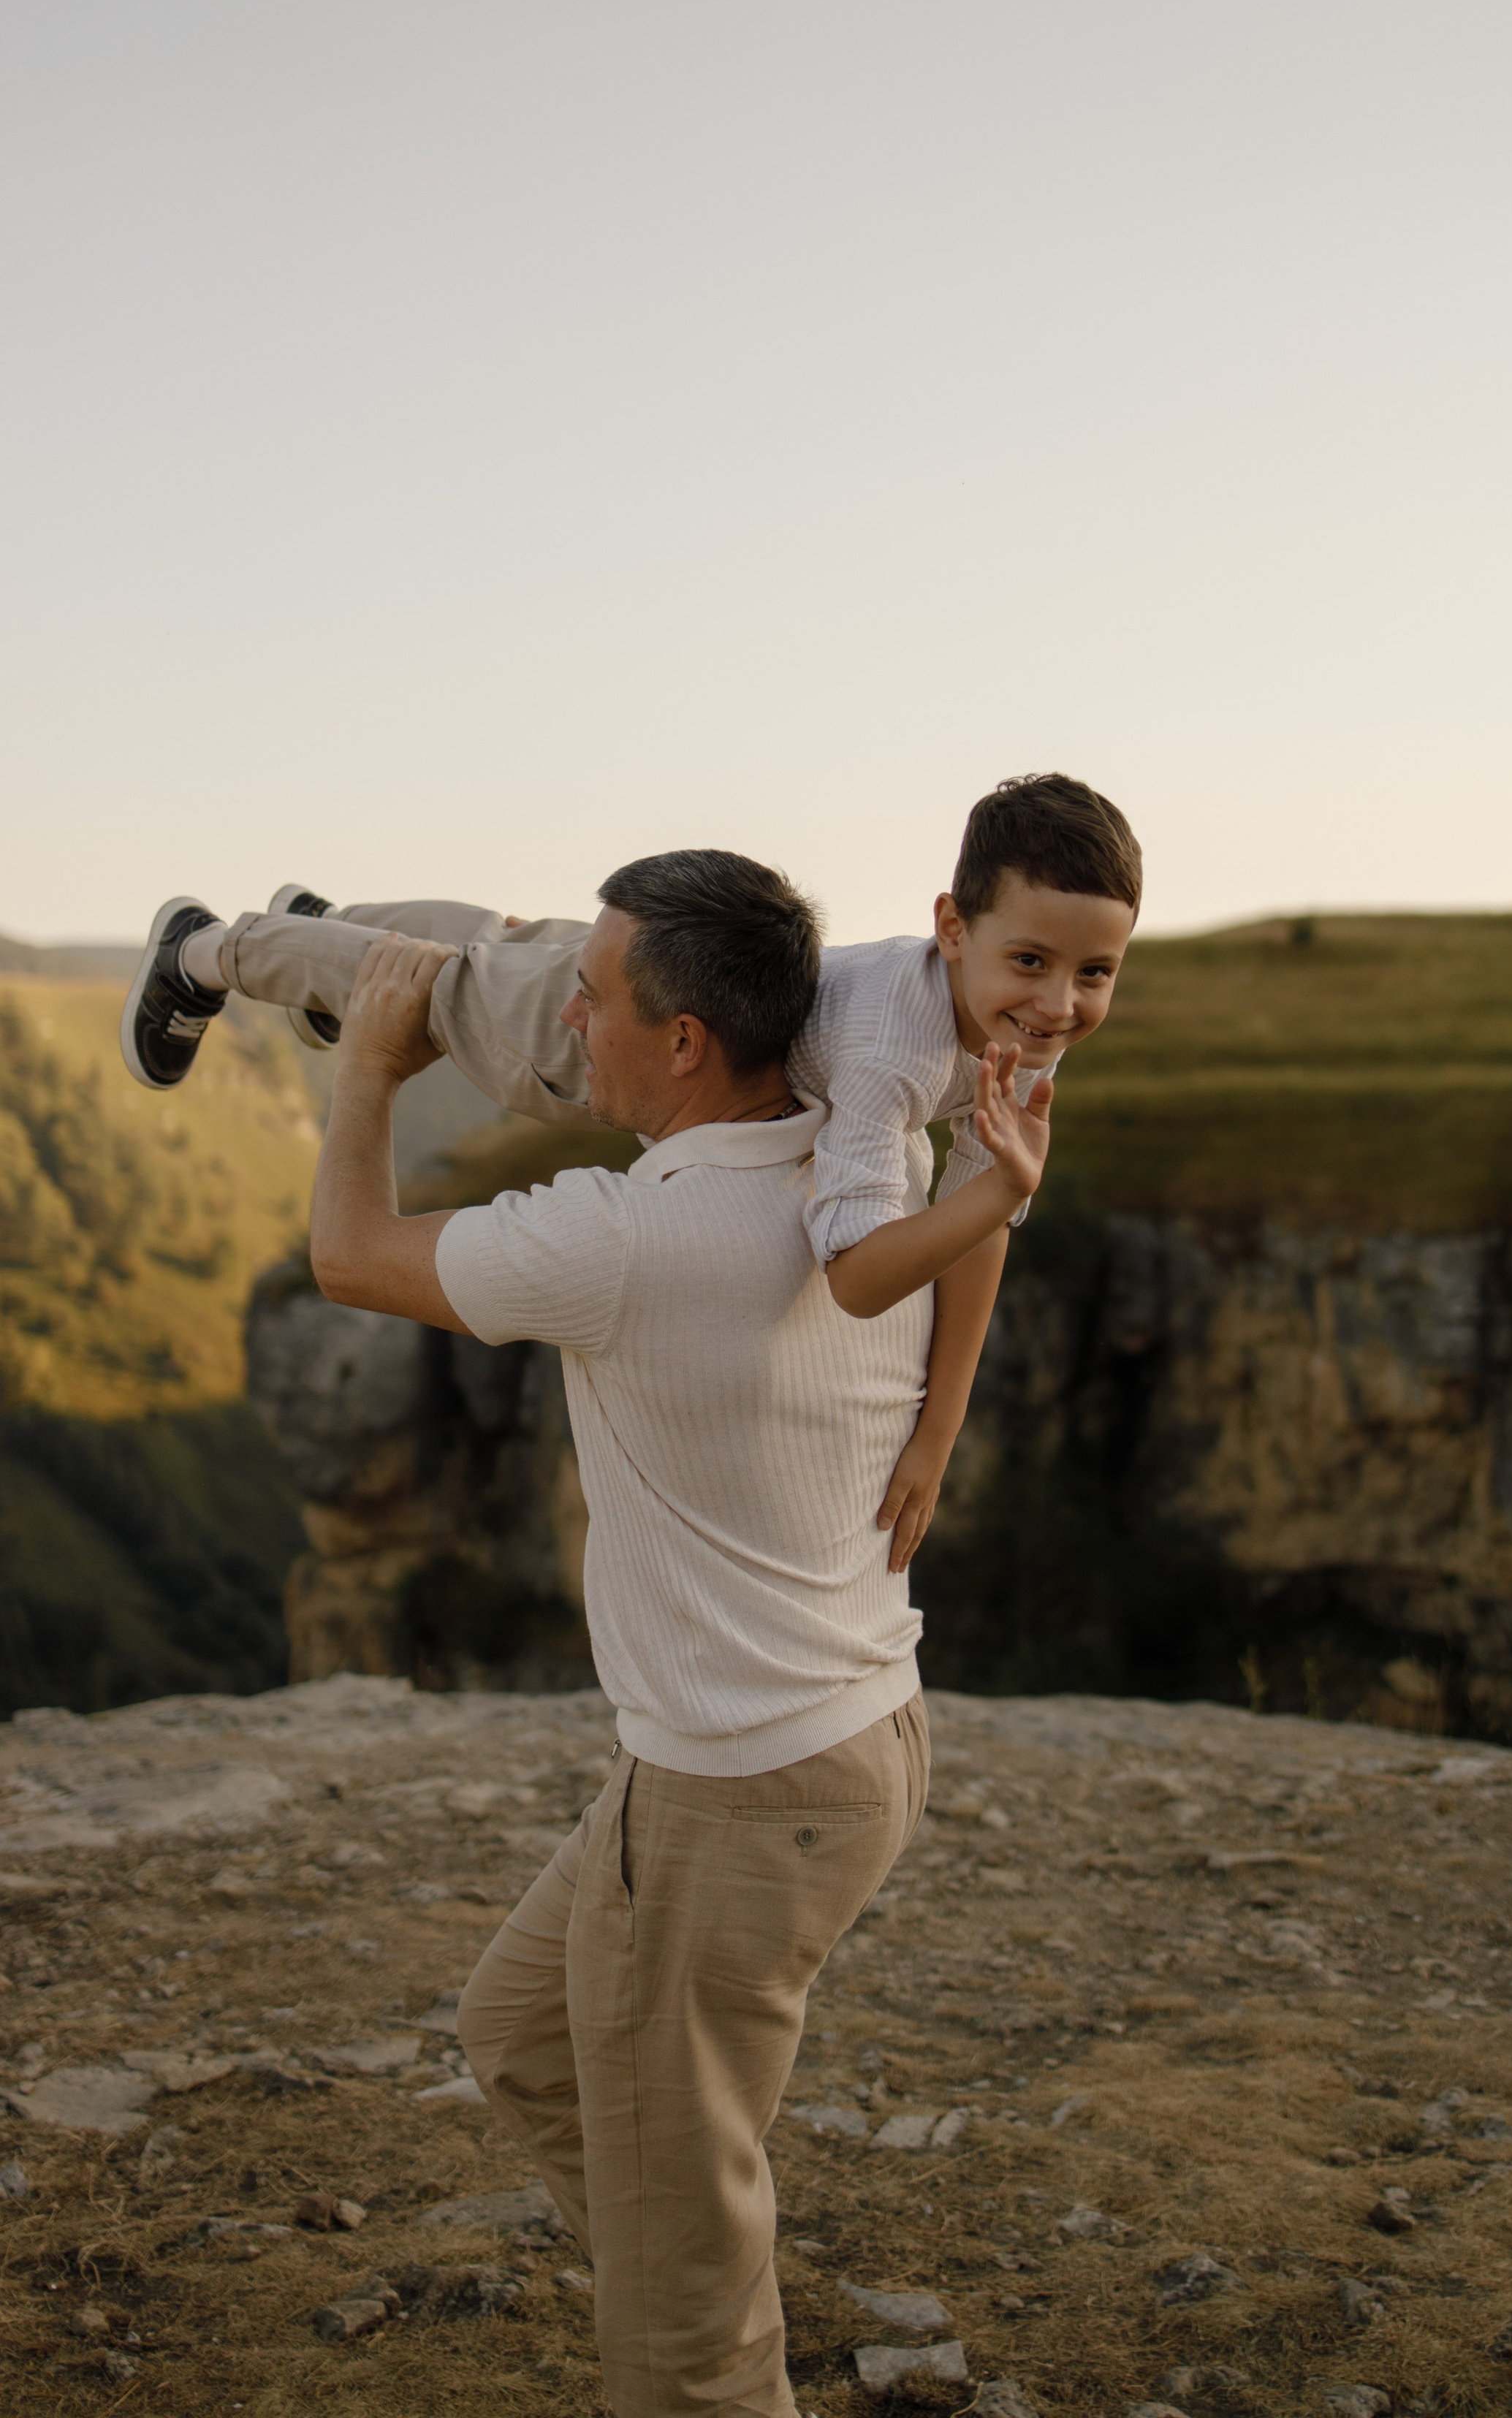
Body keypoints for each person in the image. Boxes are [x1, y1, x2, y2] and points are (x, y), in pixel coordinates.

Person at [305, 849, 1044, 2418]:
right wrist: (940, 1432)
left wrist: (368, 1069)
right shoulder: (871, 1159)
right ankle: (690, 2259)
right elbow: (988, 1221)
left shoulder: (625, 1239)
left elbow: (350, 1256)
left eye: (595, 996)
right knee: (520, 2034)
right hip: (851, 1738)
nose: (570, 1016)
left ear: (689, 1041)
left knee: (673, 2283)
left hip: (736, 1789)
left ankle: (694, 2332)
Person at [120, 775, 1142, 1567]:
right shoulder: (892, 1065)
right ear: (953, 930)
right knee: (449, 988)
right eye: (1032, 965)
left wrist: (940, 1428)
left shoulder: (1017, 1029)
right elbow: (859, 1275)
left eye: (1095, 974)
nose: (1059, 1006)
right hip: (620, 1044)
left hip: (683, 990)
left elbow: (973, 1210)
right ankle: (209, 950)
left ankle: (328, 924)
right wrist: (1008, 1192)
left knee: (506, 945)